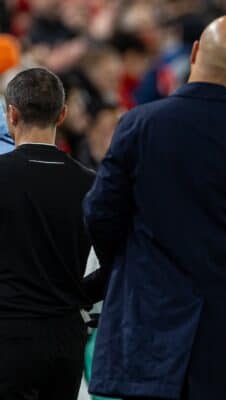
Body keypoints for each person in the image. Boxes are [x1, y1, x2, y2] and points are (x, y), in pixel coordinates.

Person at [83, 15, 226, 400]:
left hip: (150, 330)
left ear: (193, 53)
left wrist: (130, 268)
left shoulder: (138, 125)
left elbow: (99, 215)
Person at [0, 67, 95, 399]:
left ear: (11, 114)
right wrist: (80, 295)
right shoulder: (91, 183)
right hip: (66, 334)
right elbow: (121, 262)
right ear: (62, 114)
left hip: (8, 333)